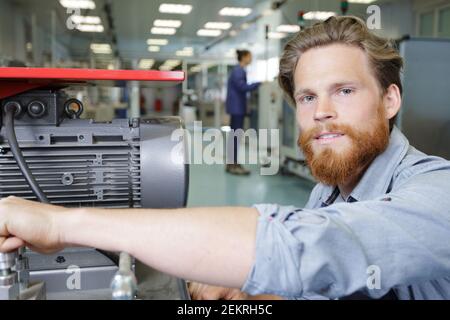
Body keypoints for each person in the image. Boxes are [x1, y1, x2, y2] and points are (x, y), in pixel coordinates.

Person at [1, 16, 450, 300]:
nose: (322, 112)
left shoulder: (437, 193)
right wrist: (255, 288)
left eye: (345, 91)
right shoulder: (330, 189)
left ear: (391, 99)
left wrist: (59, 224)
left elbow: (308, 247)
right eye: (307, 97)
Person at [225, 49, 261, 175]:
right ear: (244, 57)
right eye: (250, 56)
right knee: (235, 136)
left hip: (237, 107)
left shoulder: (238, 70)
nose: (251, 59)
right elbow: (242, 87)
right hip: (237, 108)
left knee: (235, 136)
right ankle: (232, 164)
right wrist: (258, 84)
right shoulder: (238, 71)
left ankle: (232, 163)